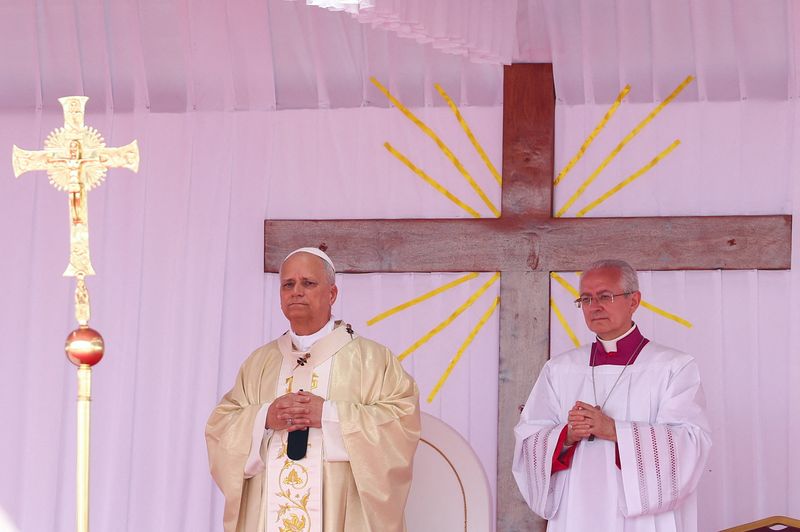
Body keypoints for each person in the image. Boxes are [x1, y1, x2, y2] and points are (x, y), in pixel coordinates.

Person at [206, 247, 420, 532]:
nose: (296, 291)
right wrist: (264, 418)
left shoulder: (372, 359)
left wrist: (330, 415)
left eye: (308, 283)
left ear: (331, 294)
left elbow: (401, 423)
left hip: (340, 514)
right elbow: (221, 427)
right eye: (288, 284)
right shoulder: (259, 363)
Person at [512, 259, 711, 531]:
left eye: (605, 296)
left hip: (641, 516)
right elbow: (529, 437)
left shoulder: (673, 366)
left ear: (634, 300)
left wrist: (614, 430)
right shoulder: (560, 369)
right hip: (576, 506)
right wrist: (566, 436)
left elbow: (690, 442)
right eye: (586, 299)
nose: (595, 306)